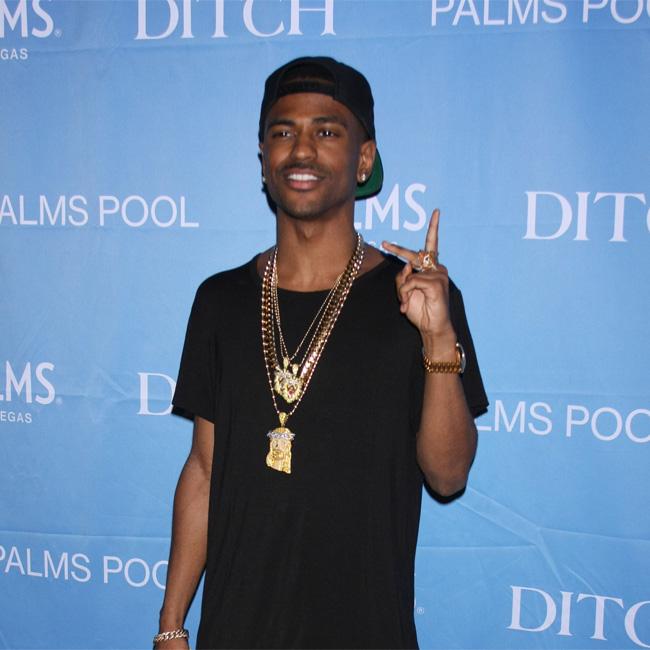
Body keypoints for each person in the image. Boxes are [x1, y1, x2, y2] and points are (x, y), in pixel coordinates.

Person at [155, 56, 488, 650]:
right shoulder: (220, 300)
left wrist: (438, 339)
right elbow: (204, 469)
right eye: (283, 132)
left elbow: (448, 475)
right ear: (264, 157)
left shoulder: (419, 298)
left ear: (364, 159)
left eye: (327, 132)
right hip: (234, 632)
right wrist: (172, 624)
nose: (302, 150)